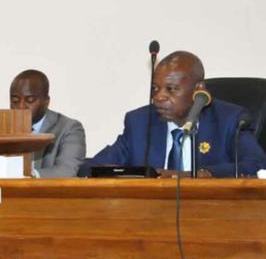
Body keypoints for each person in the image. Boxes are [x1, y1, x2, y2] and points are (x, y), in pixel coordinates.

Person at [79, 51, 266, 178]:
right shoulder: (140, 123)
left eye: (171, 89)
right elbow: (90, 168)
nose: (159, 97)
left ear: (198, 89)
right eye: (156, 88)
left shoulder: (229, 120)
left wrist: (199, 175)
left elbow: (258, 165)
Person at [10, 69, 86, 178]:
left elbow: (67, 170)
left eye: (30, 100)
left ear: (46, 101)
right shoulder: (4, 128)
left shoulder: (69, 128)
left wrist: (30, 176)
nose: (21, 107)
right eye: (15, 101)